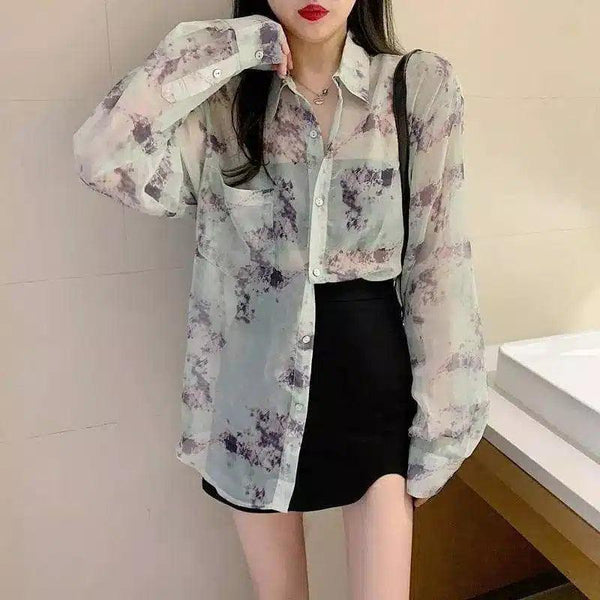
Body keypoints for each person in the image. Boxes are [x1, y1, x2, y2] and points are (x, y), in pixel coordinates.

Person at [72, 0, 490, 597]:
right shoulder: (223, 104)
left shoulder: (415, 88)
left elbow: (440, 264)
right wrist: (236, 45)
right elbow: (102, 155)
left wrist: (443, 430)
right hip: (254, 396)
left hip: (374, 390)